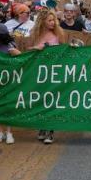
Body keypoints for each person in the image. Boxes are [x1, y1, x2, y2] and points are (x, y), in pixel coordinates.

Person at [23, 9, 65, 144]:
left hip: (54, 72)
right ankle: (41, 127)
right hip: (39, 72)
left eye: (54, 20)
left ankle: (50, 131)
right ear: (42, 22)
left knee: (52, 101)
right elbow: (28, 51)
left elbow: (64, 51)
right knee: (41, 100)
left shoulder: (58, 34)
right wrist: (36, 49)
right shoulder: (34, 35)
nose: (53, 23)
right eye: (50, 20)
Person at [0, 23, 20, 145]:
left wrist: (14, 52)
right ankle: (0, 131)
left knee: (7, 106)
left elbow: (22, 57)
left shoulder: (10, 46)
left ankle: (9, 132)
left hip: (8, 80)